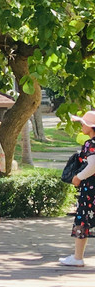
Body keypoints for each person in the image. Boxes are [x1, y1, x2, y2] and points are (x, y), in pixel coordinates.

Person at [61, 111, 95, 267]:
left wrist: (78, 177)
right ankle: (77, 257)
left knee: (82, 220)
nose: (81, 125)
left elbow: (92, 166)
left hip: (90, 189)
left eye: (83, 123)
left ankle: (77, 257)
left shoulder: (91, 144)